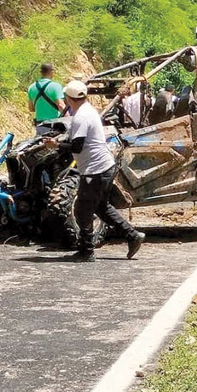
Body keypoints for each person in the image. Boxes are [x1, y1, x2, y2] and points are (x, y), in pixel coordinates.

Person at [42, 80, 145, 262]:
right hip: (103, 166)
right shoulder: (87, 110)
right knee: (101, 207)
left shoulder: (81, 116)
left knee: (82, 210)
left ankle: (87, 251)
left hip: (95, 170)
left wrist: (55, 144)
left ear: (68, 98)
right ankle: (133, 235)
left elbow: (77, 146)